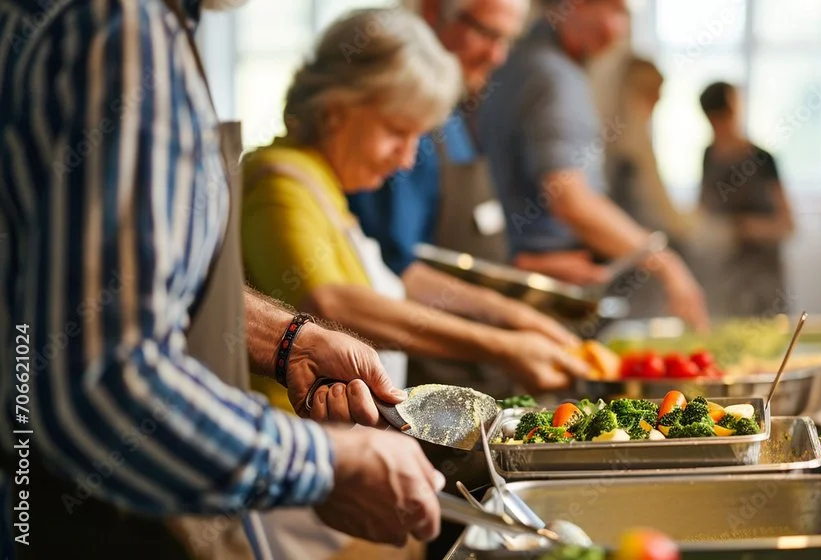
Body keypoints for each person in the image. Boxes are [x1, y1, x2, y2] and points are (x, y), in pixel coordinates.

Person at [0, 1, 446, 559]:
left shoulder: (147, 29)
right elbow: (105, 384)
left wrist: (290, 341)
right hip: (77, 511)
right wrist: (328, 462)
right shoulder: (122, 30)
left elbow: (130, 283)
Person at [240, 8, 590, 412]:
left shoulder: (323, 182)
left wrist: (513, 316)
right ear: (334, 108)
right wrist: (503, 347)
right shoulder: (279, 182)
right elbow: (332, 304)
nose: (407, 160)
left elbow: (398, 280)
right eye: (396, 132)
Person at [345, 0, 568, 397]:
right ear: (433, 12)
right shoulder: (404, 129)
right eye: (487, 33)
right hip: (426, 384)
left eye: (508, 40)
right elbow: (396, 272)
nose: (497, 55)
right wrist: (510, 323)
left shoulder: (457, 114)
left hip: (482, 376)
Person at [477, 0, 709, 330]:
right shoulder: (554, 75)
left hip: (521, 278)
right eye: (613, 10)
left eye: (625, 15)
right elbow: (570, 199)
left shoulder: (521, 61)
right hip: (546, 297)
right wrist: (665, 262)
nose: (618, 31)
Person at [604, 56, 700, 318]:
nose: (659, 100)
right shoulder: (629, 143)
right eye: (655, 92)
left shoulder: (626, 136)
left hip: (635, 253)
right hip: (634, 256)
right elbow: (658, 206)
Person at [696, 81, 795, 317]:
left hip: (764, 277)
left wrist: (744, 228)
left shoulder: (763, 160)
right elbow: (701, 212)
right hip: (724, 277)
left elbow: (787, 225)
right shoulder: (708, 156)